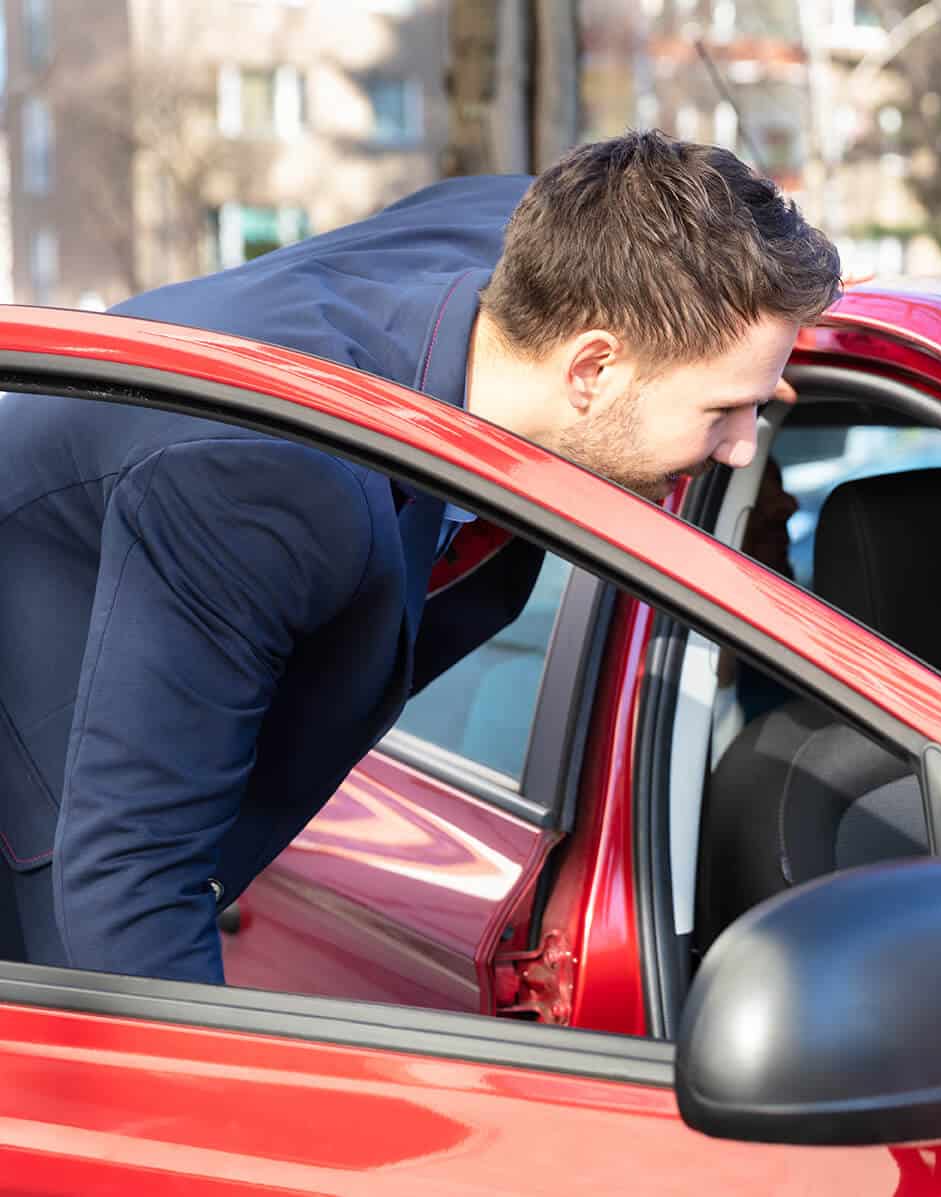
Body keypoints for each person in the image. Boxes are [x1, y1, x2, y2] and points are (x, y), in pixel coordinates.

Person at [0, 131, 841, 982]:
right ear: (592, 368)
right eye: (727, 412)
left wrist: (741, 353)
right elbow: (128, 888)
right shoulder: (271, 478)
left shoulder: (543, 254)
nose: (744, 446)